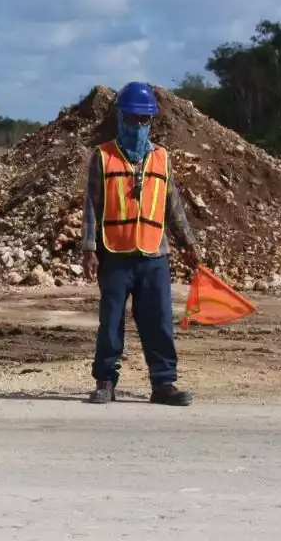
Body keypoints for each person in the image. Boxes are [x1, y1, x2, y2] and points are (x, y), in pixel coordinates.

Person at [80, 82, 201, 407]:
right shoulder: (102, 157)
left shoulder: (162, 159)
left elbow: (173, 205)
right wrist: (89, 248)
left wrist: (189, 243)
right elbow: (92, 205)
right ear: (120, 118)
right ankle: (106, 381)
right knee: (111, 321)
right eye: (131, 118)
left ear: (151, 122)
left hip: (154, 255)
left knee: (159, 321)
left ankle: (164, 384)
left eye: (143, 120)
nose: (136, 125)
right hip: (115, 254)